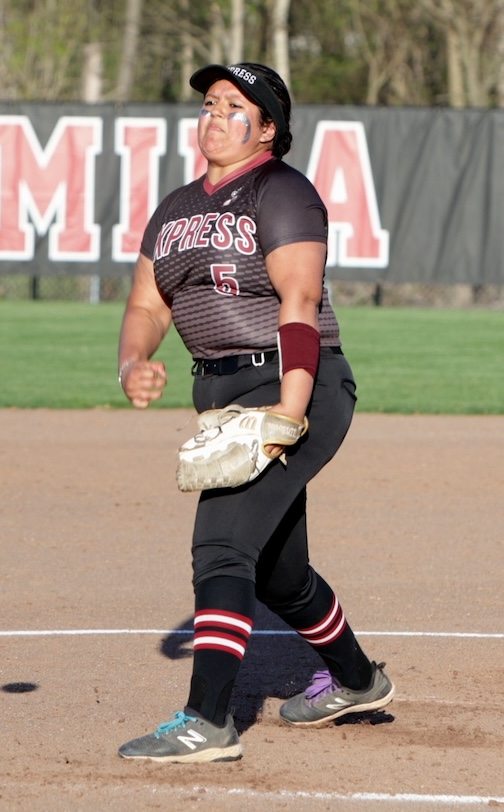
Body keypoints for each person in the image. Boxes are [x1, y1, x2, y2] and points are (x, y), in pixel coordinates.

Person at [116, 62, 395, 763]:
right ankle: (357, 680)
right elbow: (148, 304)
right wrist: (133, 360)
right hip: (222, 398)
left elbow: (299, 301)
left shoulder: (282, 191)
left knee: (222, 545)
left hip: (294, 383)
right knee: (277, 574)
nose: (214, 114)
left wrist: (289, 410)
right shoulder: (175, 209)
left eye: (233, 105)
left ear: (267, 128)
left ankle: (208, 721)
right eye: (210, 103)